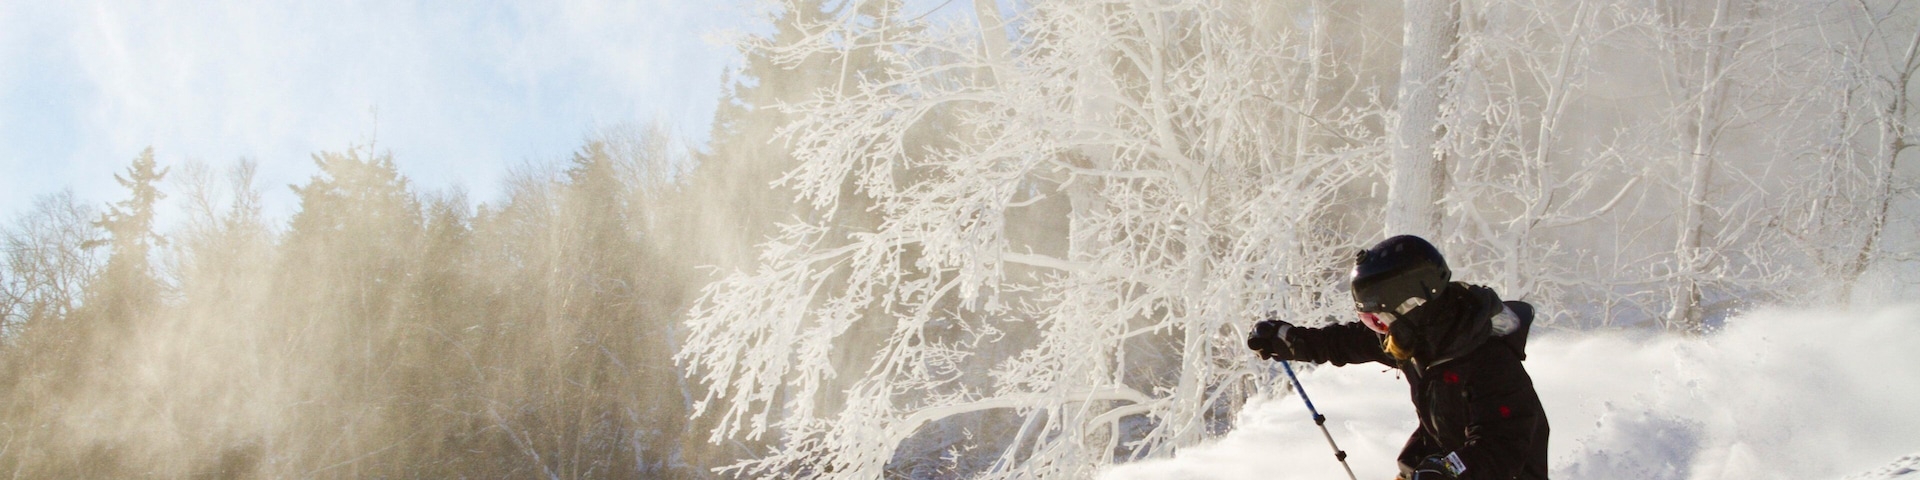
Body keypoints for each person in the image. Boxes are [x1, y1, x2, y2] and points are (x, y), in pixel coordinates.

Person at [1246, 235, 1550, 480]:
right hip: (1434, 463)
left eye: (1379, 320)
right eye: (1371, 321)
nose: (1379, 331)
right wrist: (1292, 341)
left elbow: (1499, 446)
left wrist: (1448, 470)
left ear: (1413, 306)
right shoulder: (1417, 339)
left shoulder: (1489, 360)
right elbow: (1346, 341)